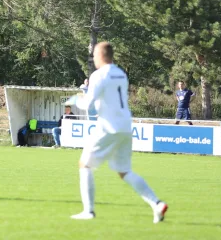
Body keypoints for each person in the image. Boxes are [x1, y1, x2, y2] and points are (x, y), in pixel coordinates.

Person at [70, 42, 167, 223]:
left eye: (94, 56)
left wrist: (76, 100)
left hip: (107, 126)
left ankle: (88, 211)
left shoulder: (99, 75)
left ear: (100, 55)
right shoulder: (121, 74)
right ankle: (157, 204)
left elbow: (89, 104)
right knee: (124, 171)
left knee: (85, 164)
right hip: (125, 126)